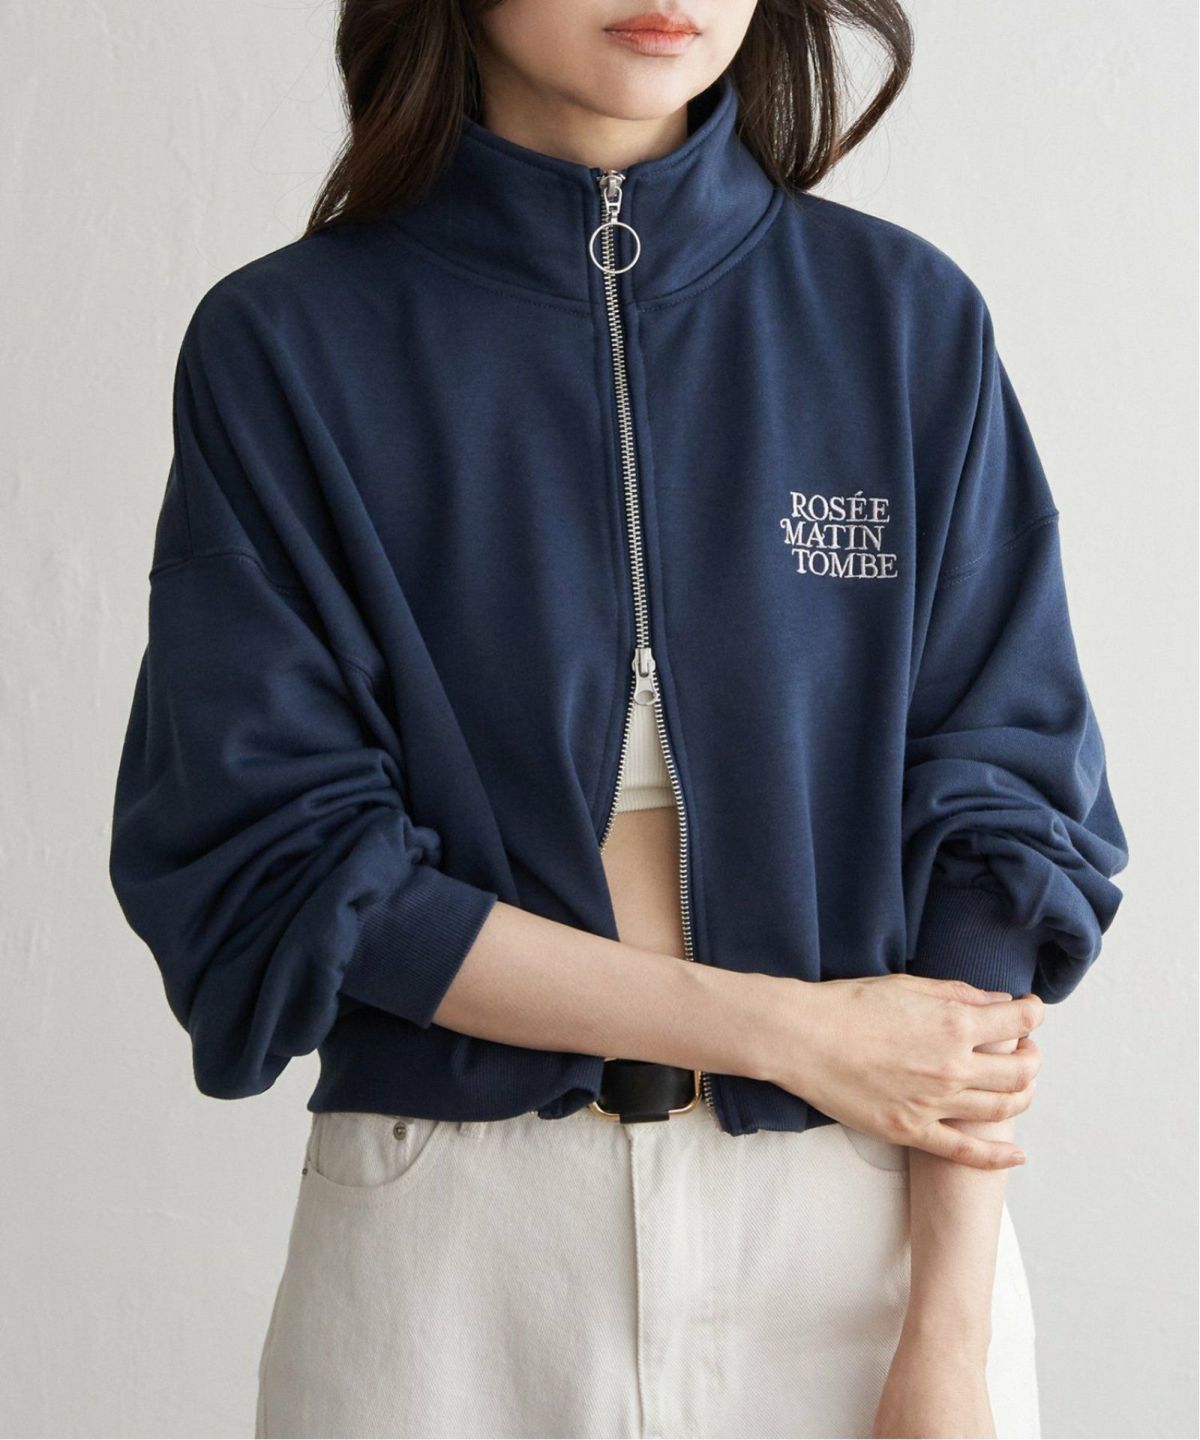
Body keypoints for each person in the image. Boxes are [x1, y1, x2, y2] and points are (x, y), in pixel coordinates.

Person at [107, 2, 1129, 1437]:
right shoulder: (283, 345)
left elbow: (1003, 837)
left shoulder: (904, 321)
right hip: (452, 1247)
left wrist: (947, 1344)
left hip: (860, 1234)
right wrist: (793, 1032)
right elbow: (295, 856)